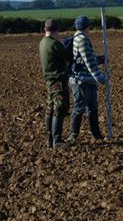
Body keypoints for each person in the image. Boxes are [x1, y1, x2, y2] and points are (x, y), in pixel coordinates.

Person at [67, 16, 105, 142]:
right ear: (87, 27)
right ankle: (73, 135)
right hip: (81, 80)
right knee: (79, 107)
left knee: (92, 107)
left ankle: (97, 134)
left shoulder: (78, 38)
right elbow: (88, 61)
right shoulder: (82, 40)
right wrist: (100, 77)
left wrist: (100, 59)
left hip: (87, 79)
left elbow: (86, 58)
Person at [39, 19, 73, 149]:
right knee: (59, 109)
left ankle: (49, 139)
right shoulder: (54, 44)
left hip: (49, 80)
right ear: (56, 30)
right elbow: (68, 57)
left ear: (45, 29)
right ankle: (57, 140)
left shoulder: (42, 42)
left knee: (50, 107)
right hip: (58, 79)